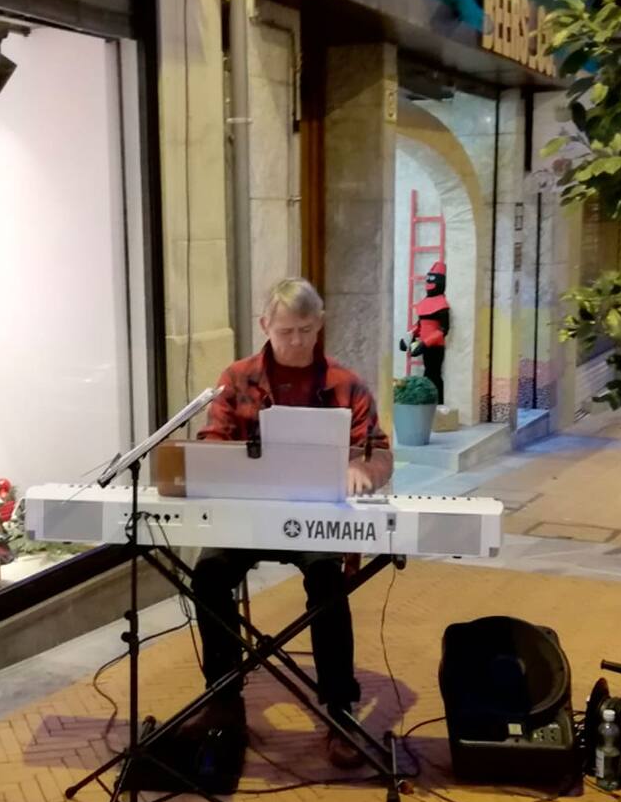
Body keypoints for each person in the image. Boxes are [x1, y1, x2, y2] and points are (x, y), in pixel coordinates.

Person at [193, 278, 392, 768]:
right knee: (209, 576)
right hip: (249, 515)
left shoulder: (346, 384)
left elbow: (381, 453)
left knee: (328, 583)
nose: (297, 341)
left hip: (316, 517)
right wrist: (239, 464)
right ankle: (224, 697)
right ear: (265, 326)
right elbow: (210, 444)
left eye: (306, 330)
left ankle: (339, 707)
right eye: (286, 331)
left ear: (319, 325)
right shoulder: (236, 379)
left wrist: (360, 470)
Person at [400, 260, 450, 403]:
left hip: (435, 346)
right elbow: (420, 325)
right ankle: (430, 402)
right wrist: (407, 338)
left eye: (432, 279)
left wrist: (426, 343)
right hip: (426, 345)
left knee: (433, 374)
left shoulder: (442, 304)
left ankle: (438, 403)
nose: (429, 282)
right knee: (428, 373)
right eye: (428, 279)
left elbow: (443, 329)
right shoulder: (425, 302)